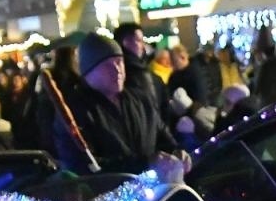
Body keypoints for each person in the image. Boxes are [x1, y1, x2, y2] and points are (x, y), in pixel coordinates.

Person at [51, 32, 189, 178]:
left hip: (157, 195)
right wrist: (145, 164)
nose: (117, 70)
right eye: (107, 65)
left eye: (119, 62)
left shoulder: (141, 100)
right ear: (89, 71)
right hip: (111, 197)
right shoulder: (74, 112)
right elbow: (86, 167)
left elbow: (163, 137)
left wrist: (177, 152)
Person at [113, 21, 166, 118]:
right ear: (126, 42)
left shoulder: (143, 69)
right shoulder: (123, 74)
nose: (143, 45)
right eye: (139, 40)